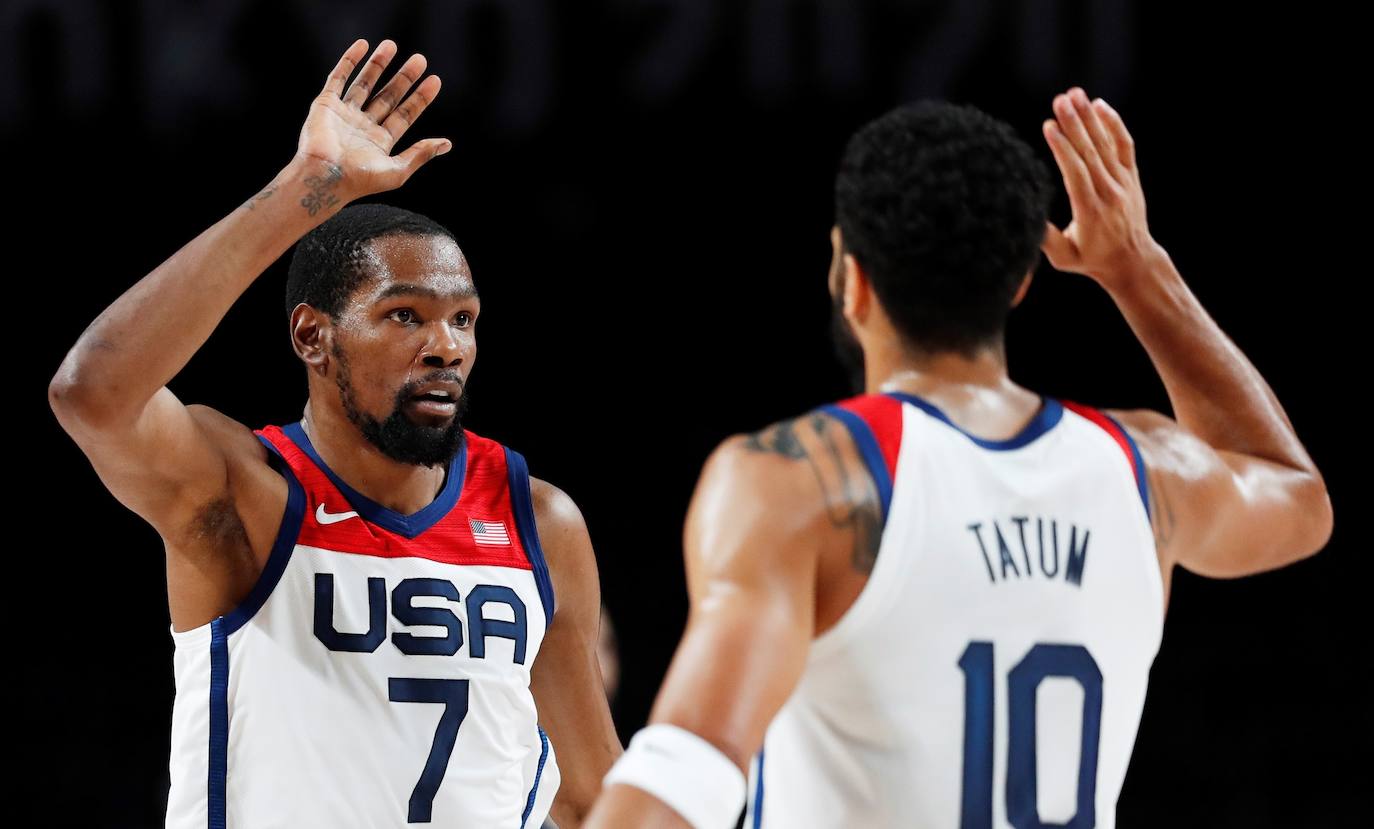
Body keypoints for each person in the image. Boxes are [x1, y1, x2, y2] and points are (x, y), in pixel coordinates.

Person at [585, 89, 1333, 828]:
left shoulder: (803, 478)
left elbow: (685, 776)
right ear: (1020, 282)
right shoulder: (1144, 471)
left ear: (854, 281)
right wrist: (1136, 269)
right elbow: (1296, 493)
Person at [48, 38, 619, 828]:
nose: (447, 344)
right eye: (404, 315)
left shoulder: (539, 523)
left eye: (463, 319)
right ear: (312, 337)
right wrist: (304, 192)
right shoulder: (247, 497)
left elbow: (593, 795)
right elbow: (93, 393)